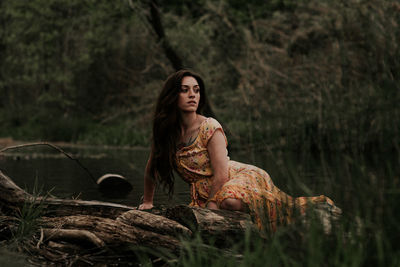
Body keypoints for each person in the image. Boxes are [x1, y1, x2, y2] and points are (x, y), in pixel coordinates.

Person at [139, 69, 337, 230]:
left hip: (236, 176)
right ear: (173, 95)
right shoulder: (166, 132)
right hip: (205, 191)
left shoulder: (209, 127)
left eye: (197, 90)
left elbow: (221, 175)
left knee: (229, 203)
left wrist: (210, 207)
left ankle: (309, 211)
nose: (193, 95)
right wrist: (148, 201)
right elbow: (151, 169)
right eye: (185, 90)